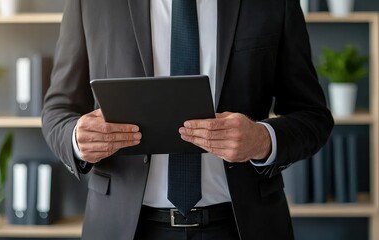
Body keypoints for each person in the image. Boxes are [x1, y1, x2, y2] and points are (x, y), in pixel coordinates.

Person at [42, 0, 334, 239]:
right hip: (124, 227)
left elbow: (313, 116)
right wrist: (76, 138)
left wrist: (262, 140)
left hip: (242, 225)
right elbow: (58, 109)